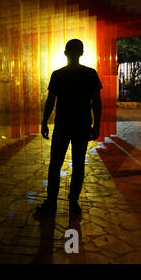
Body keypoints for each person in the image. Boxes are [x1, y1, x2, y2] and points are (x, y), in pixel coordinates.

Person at [37, 39, 102, 215]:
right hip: (81, 125)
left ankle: (51, 202)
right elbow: (96, 102)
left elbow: (51, 100)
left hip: (63, 125)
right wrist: (96, 125)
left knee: (55, 164)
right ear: (82, 53)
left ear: (65, 53)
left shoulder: (58, 75)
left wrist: (44, 121)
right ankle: (73, 202)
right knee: (78, 164)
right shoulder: (90, 74)